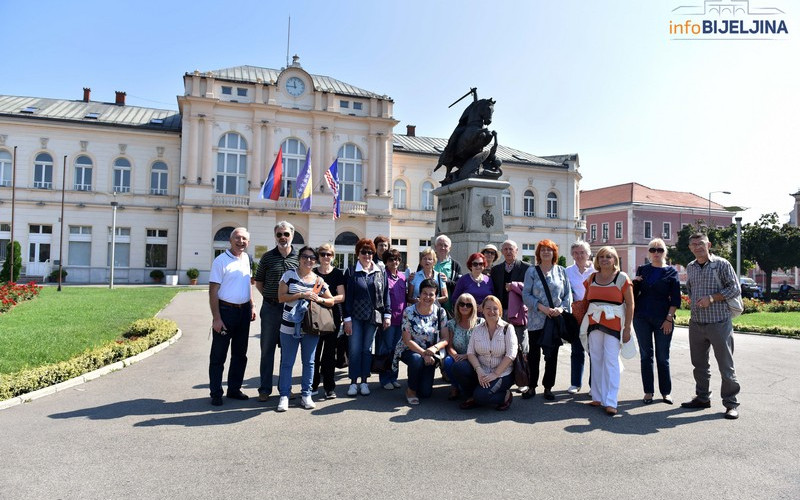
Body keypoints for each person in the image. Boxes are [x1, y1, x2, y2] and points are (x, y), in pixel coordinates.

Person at [681, 233, 742, 420]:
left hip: (719, 322)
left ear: (709, 244)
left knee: (726, 365)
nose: (697, 247)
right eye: (693, 245)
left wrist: (712, 298)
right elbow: (690, 288)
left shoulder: (722, 264)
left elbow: (735, 289)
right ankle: (702, 398)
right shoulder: (690, 267)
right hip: (697, 322)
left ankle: (731, 404)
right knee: (699, 365)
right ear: (690, 248)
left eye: (700, 243)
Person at [275, 246, 335, 412]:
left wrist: (319, 299)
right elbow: (281, 297)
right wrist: (302, 295)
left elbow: (331, 301)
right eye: (305, 257)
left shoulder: (318, 280)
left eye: (312, 258)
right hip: (288, 325)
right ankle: (284, 395)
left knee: (309, 362)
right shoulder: (289, 275)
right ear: (299, 258)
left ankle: (306, 394)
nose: (309, 260)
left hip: (310, 327)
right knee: (287, 362)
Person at [579, 246, 634, 416]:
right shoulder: (592, 278)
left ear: (615, 259)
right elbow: (586, 300)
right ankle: (597, 396)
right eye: (601, 256)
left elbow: (630, 304)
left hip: (614, 324)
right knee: (596, 358)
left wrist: (627, 328)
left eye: (609, 256)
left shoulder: (621, 278)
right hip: (594, 321)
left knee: (611, 361)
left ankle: (610, 401)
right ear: (597, 260)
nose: (604, 259)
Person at [208, 227, 256, 406]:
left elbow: (248, 284)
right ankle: (216, 392)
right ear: (230, 240)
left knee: (240, 354)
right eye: (237, 238)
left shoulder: (247, 259)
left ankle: (234, 389)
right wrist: (216, 318)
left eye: (244, 239)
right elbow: (213, 290)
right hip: (225, 312)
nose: (241, 241)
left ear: (248, 242)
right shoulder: (220, 261)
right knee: (218, 356)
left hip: (243, 312)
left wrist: (252, 305)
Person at [254, 221, 299, 402]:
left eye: (286, 234)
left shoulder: (298, 257)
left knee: (287, 351)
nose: (283, 238)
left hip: (291, 310)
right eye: (279, 234)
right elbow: (259, 282)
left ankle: (285, 388)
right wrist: (272, 296)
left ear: (292, 236)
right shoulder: (267, 257)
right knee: (267, 349)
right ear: (275, 236)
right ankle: (265, 389)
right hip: (271, 308)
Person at [522, 240, 572, 401]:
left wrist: (561, 309)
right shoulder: (532, 271)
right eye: (542, 250)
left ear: (554, 253)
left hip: (554, 320)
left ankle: (548, 387)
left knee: (552, 356)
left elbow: (567, 295)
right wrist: (541, 308)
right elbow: (526, 295)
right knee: (534, 356)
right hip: (536, 320)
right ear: (538, 254)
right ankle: (531, 386)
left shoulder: (561, 271)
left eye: (549, 250)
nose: (545, 252)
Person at [632, 238, 680, 405]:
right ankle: (648, 392)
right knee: (646, 356)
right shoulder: (643, 270)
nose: (656, 253)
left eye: (659, 249)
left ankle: (666, 392)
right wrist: (634, 283)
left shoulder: (671, 272)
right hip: (641, 318)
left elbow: (675, 300)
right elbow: (633, 294)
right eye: (653, 250)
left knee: (662, 357)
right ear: (649, 252)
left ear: (665, 252)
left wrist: (669, 318)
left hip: (663, 319)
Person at [343, 238, 391, 397]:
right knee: (355, 349)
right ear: (358, 254)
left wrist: (387, 314)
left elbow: (385, 294)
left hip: (372, 316)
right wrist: (347, 319)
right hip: (355, 316)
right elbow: (347, 298)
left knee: (366, 349)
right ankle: (353, 382)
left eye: (370, 252)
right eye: (363, 252)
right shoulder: (351, 271)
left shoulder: (380, 271)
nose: (367, 255)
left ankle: (364, 381)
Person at [452, 295, 517, 410]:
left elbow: (511, 355)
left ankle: (505, 396)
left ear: (500, 311)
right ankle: (472, 395)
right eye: (488, 308)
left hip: (502, 373)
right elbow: (470, 352)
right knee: (458, 367)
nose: (491, 311)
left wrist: (495, 374)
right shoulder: (477, 329)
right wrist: (479, 370)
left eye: (495, 308)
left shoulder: (508, 328)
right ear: (482, 310)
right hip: (482, 370)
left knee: (481, 397)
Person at [395, 278, 449, 405]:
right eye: (425, 293)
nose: (428, 297)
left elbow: (445, 338)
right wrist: (424, 353)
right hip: (410, 350)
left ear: (436, 296)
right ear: (419, 294)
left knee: (425, 393)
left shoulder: (440, 312)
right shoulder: (409, 311)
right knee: (416, 359)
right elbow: (407, 340)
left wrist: (433, 350)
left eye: (432, 294)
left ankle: (418, 379)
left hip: (431, 351)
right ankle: (411, 390)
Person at [311, 243, 346, 400]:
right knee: (314, 353)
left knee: (329, 354)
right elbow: (309, 294)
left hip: (332, 318)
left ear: (333, 256)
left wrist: (326, 300)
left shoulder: (338, 273)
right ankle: (312, 385)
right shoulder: (312, 274)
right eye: (323, 254)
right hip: (314, 317)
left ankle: (329, 387)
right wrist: (329, 299)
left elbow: (342, 296)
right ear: (318, 256)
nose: (326, 257)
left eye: (329, 254)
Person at [490, 240, 530, 368]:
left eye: (511, 249)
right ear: (502, 252)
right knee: (502, 346)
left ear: (516, 251)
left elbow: (531, 290)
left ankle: (522, 379)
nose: (508, 251)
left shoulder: (527, 268)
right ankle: (505, 376)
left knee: (520, 345)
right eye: (505, 249)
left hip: (519, 313)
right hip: (501, 313)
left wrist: (514, 287)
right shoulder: (496, 270)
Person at [564, 241, 594, 394]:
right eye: (576, 252)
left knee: (594, 351)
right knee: (577, 350)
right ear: (572, 255)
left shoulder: (596, 270)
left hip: (595, 315)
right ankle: (575, 383)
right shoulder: (568, 271)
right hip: (576, 315)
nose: (579, 255)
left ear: (588, 253)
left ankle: (593, 386)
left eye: (582, 252)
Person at [442, 293, 483, 400]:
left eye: (468, 305)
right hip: (458, 356)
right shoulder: (452, 323)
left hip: (476, 356)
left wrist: (467, 356)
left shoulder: (480, 323)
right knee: (448, 361)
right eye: (462, 304)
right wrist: (455, 356)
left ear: (473, 307)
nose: (464, 307)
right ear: (457, 305)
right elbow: (449, 345)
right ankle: (455, 387)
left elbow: (483, 346)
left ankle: (469, 387)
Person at [378, 248, 406, 390]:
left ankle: (394, 377)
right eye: (391, 260)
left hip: (401, 319)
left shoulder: (402, 277)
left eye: (396, 259)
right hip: (389, 319)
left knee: (396, 350)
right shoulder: (383, 276)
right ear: (386, 262)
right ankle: (384, 379)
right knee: (386, 349)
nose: (394, 262)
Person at [433, 234, 462, 315]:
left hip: (449, 308)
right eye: (440, 245)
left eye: (445, 245)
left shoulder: (455, 265)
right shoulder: (427, 262)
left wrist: (448, 281)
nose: (442, 248)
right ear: (435, 247)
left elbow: (460, 285)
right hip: (429, 305)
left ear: (449, 248)